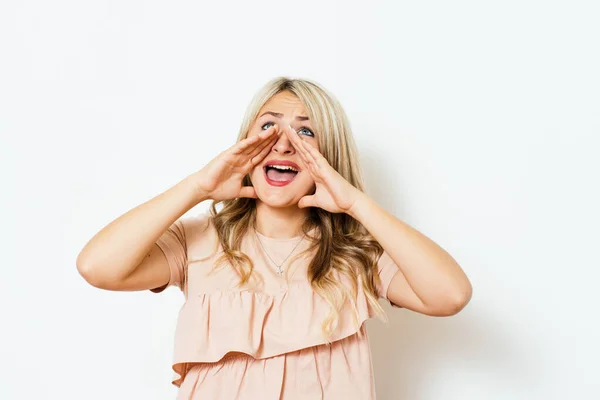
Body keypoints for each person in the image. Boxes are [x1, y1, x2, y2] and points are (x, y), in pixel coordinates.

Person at [76, 76, 472, 399]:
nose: (283, 142)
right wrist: (198, 186)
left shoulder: (358, 255)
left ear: (329, 154)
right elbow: (97, 267)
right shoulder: (197, 241)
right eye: (268, 126)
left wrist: (355, 203)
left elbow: (450, 295)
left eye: (305, 131)